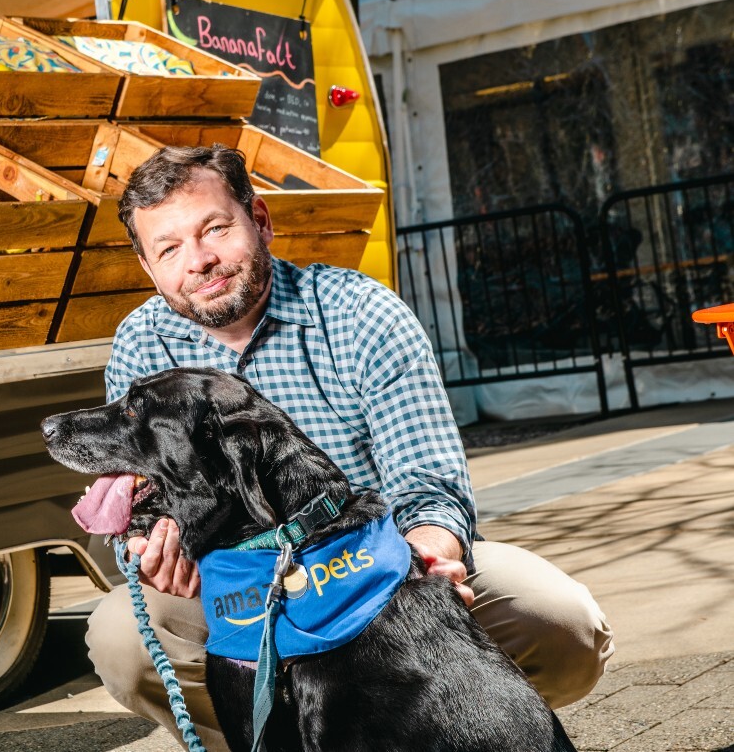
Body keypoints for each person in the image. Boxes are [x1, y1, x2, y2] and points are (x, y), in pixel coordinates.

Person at [85, 143, 614, 752]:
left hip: (383, 571)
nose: (199, 261)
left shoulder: (358, 312)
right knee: (120, 636)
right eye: (170, 248)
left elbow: (428, 480)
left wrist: (431, 552)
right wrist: (144, 541)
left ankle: (459, 730)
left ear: (260, 220)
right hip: (239, 587)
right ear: (149, 268)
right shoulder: (141, 345)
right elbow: (137, 493)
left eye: (215, 229)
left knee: (562, 621)